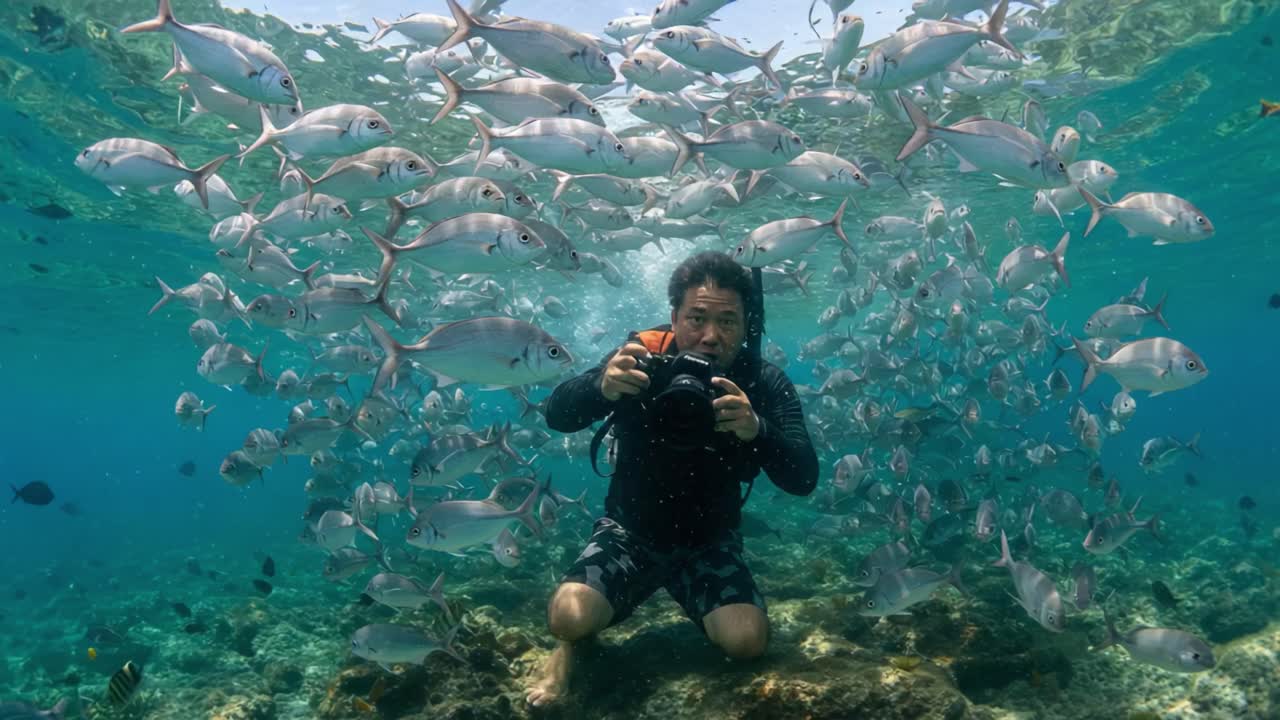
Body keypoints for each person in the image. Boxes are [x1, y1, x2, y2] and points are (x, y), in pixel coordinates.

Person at [526, 251, 818, 707]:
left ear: (747, 325)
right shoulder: (642, 359)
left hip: (710, 541)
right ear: (673, 318)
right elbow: (557, 414)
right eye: (696, 318)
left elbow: (803, 478)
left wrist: (756, 429)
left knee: (747, 642)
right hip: (629, 533)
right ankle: (567, 651)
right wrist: (601, 385)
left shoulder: (760, 381)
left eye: (728, 322)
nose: (710, 336)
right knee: (568, 618)